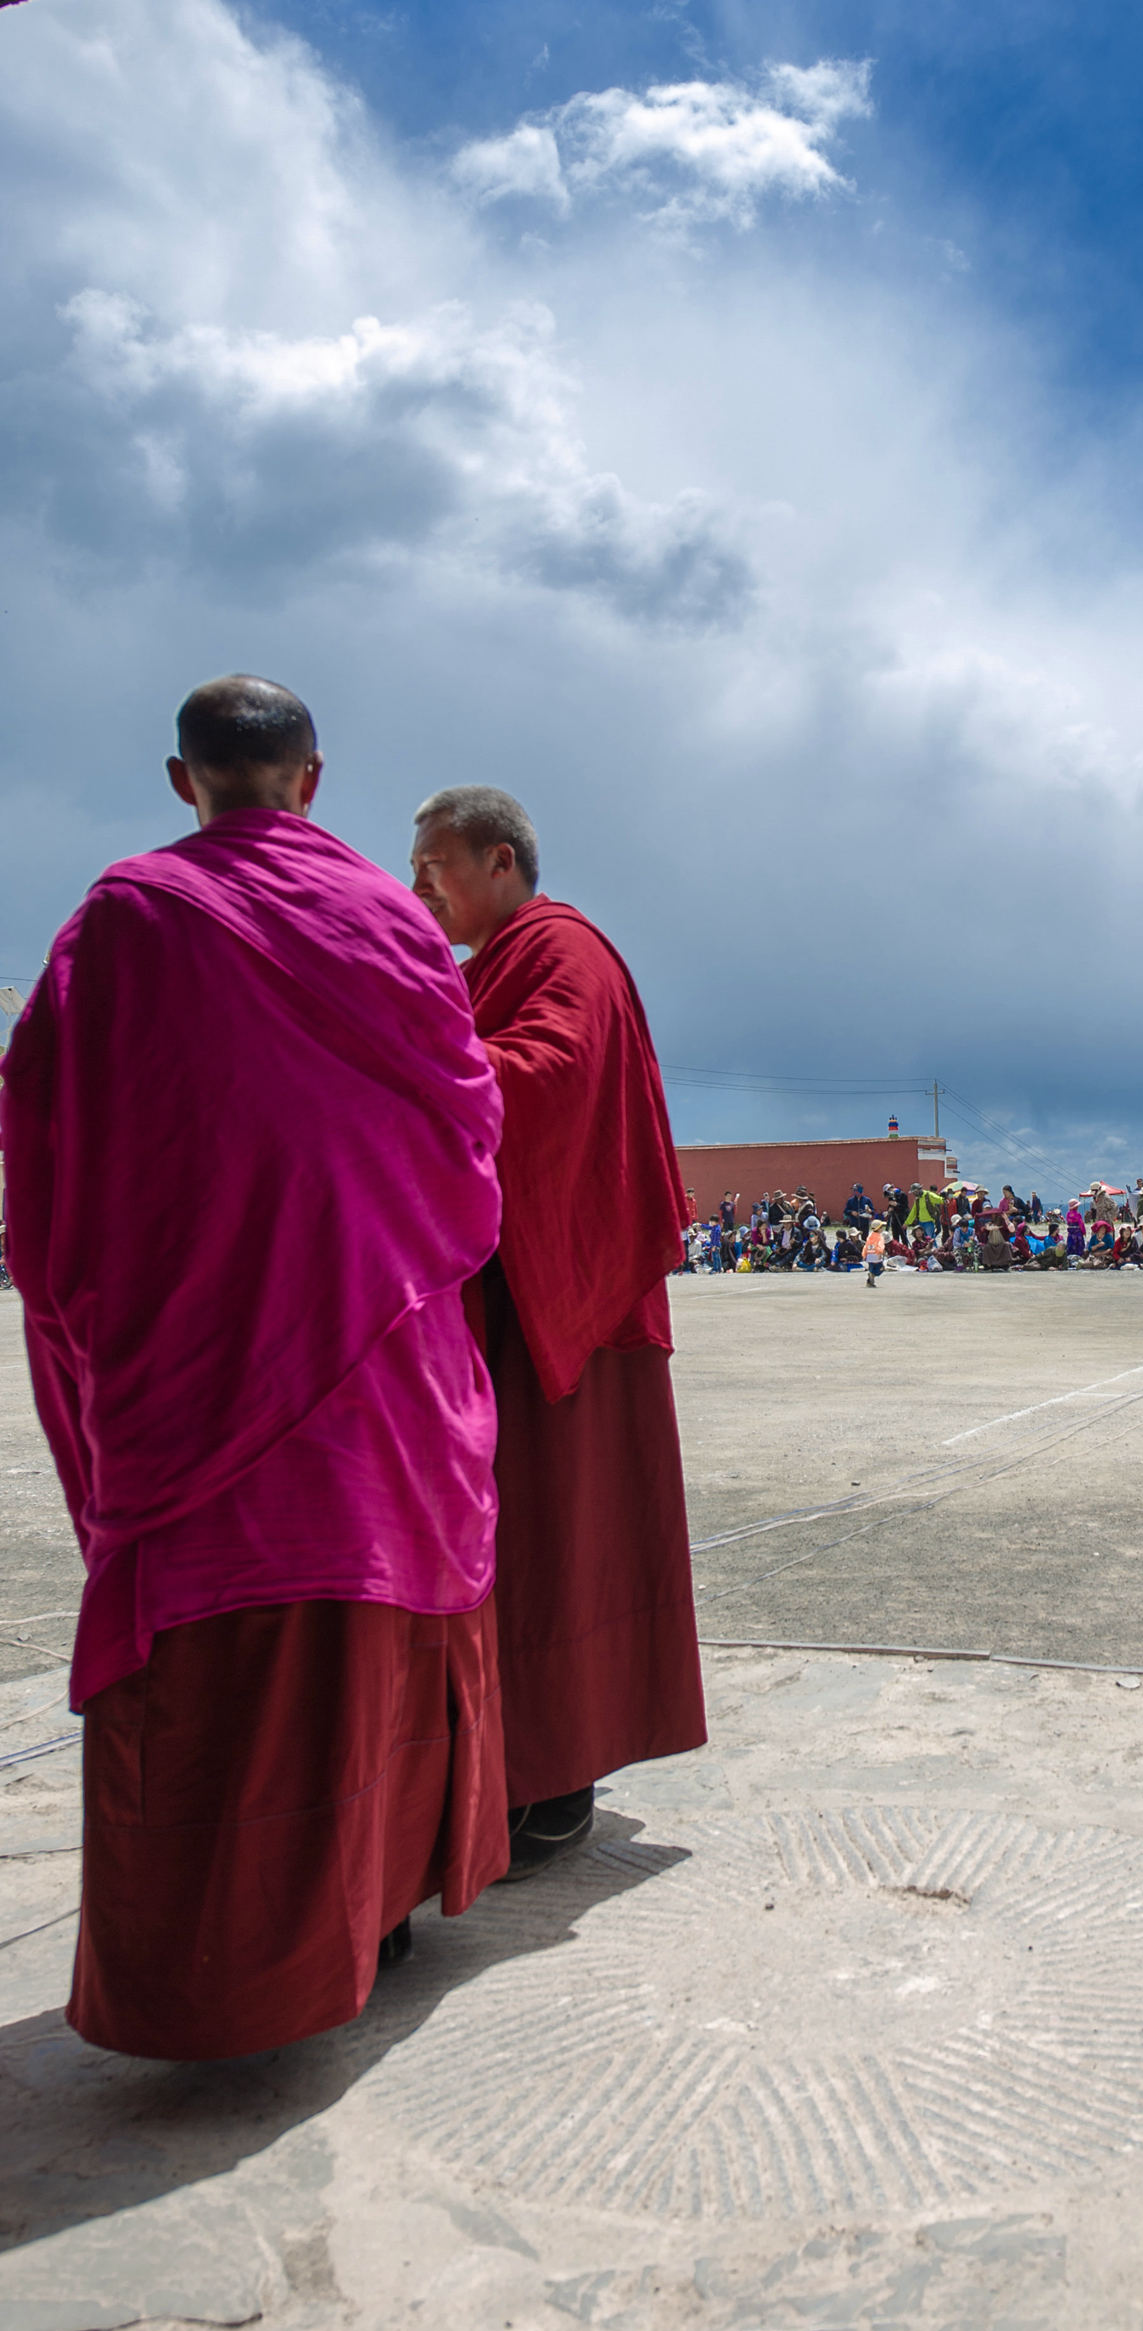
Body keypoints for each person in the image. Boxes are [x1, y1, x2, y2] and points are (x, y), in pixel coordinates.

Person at [2, 677, 509, 2060]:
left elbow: (40, 1128)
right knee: (380, 1607)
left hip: (197, 1347)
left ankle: (212, 1973)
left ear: (186, 782)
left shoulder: (124, 918)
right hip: (378, 1351)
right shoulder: (392, 917)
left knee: (217, 1633)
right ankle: (385, 1900)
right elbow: (470, 1112)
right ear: (312, 777)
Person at [411, 786, 706, 1874]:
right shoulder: (489, 964)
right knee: (516, 1542)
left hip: (569, 1307)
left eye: (436, 864)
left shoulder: (559, 947)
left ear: (501, 860)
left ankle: (559, 1774)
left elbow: (550, 1078)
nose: (419, 885)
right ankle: (521, 1762)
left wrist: (401, 1055)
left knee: (555, 1542)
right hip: (513, 1299)